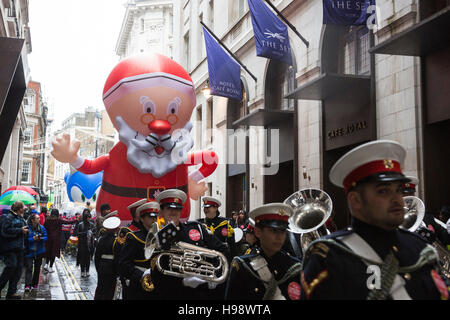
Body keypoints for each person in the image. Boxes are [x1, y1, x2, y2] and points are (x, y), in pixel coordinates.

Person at [300, 140, 449, 300]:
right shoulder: (329, 257)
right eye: (383, 191)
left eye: (398, 190)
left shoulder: (419, 248)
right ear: (355, 200)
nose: (398, 200)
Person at [145, 189, 230, 300]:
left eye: (177, 208)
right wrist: (183, 283)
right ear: (161, 211)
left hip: (202, 294)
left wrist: (215, 276)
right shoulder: (157, 239)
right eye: (168, 208)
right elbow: (158, 279)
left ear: (181, 211)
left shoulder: (196, 228)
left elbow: (223, 251)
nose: (173, 211)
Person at [225, 203, 302, 300]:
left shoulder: (295, 266)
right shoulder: (243, 266)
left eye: (282, 231)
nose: (279, 237)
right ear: (257, 232)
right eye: (273, 231)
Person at [118, 201, 160, 300]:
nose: (154, 220)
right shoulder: (133, 237)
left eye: (155, 217)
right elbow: (123, 264)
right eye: (150, 217)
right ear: (142, 218)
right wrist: (141, 275)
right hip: (138, 286)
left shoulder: (160, 236)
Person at [113, 198, 146, 300]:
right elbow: (119, 254)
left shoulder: (148, 229)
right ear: (137, 214)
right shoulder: (127, 231)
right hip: (131, 276)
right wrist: (123, 276)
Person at [0, 201, 29, 299]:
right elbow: (5, 231)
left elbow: (23, 230)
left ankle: (12, 292)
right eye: (22, 208)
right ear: (19, 208)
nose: (24, 209)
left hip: (19, 248)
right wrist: (20, 230)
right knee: (11, 266)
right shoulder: (8, 217)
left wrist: (26, 230)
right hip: (9, 248)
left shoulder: (20, 217)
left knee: (18, 271)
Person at [94, 216, 121, 300]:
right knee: (109, 291)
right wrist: (117, 272)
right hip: (111, 269)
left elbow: (96, 257)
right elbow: (117, 259)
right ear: (116, 228)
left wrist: (98, 268)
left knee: (100, 289)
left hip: (101, 268)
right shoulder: (116, 241)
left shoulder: (101, 239)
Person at [43, 208, 76, 273]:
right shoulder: (58, 220)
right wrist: (75, 221)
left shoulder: (47, 220)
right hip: (56, 239)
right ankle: (50, 267)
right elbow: (67, 222)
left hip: (48, 238)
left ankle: (46, 264)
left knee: (49, 252)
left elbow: (44, 228)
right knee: (53, 253)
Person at [24, 213, 48, 292]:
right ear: (32, 220)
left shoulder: (42, 228)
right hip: (29, 251)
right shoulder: (27, 228)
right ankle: (27, 285)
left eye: (39, 218)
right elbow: (25, 240)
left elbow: (46, 237)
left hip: (39, 251)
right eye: (37, 218)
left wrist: (40, 238)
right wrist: (33, 239)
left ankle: (35, 284)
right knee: (29, 267)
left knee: (37, 268)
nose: (39, 219)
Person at [74, 209, 96, 277]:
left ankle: (88, 271)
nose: (89, 219)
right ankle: (82, 271)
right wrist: (85, 233)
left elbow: (95, 232)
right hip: (82, 244)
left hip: (89, 244)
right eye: (88, 217)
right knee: (83, 258)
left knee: (88, 259)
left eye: (90, 217)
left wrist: (92, 233)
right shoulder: (81, 225)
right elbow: (77, 233)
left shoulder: (92, 225)